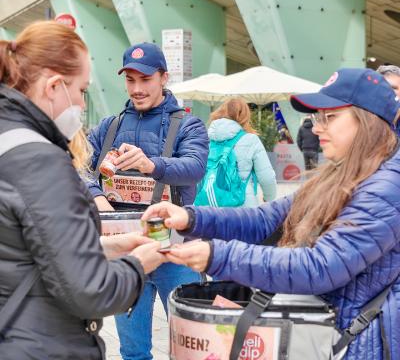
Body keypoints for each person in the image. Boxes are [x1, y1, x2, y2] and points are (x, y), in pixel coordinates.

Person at [142, 68, 400, 360]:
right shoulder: (340, 173)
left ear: (367, 122)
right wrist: (192, 218)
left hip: (363, 346)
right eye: (317, 117)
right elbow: (266, 219)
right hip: (331, 337)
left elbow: (320, 266)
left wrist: (217, 256)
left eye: (330, 117)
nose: (316, 128)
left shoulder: (387, 187)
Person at [0, 21, 166, 359]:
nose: (80, 101)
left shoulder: (9, 140)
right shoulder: (41, 161)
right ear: (55, 86)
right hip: (40, 343)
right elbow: (90, 291)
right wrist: (137, 264)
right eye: (81, 90)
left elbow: (28, 245)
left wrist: (106, 245)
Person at [87, 42, 209, 359]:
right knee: (132, 350)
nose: (137, 88)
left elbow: (195, 168)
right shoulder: (109, 127)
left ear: (163, 77)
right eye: (130, 80)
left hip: (176, 249)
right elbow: (75, 165)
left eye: (145, 79)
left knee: (193, 346)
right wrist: (97, 196)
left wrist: (151, 164)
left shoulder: (188, 125)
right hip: (124, 249)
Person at [204, 98, 276, 206]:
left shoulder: (207, 139)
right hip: (243, 207)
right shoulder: (251, 140)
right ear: (244, 116)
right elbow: (267, 177)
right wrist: (269, 198)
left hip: (209, 204)